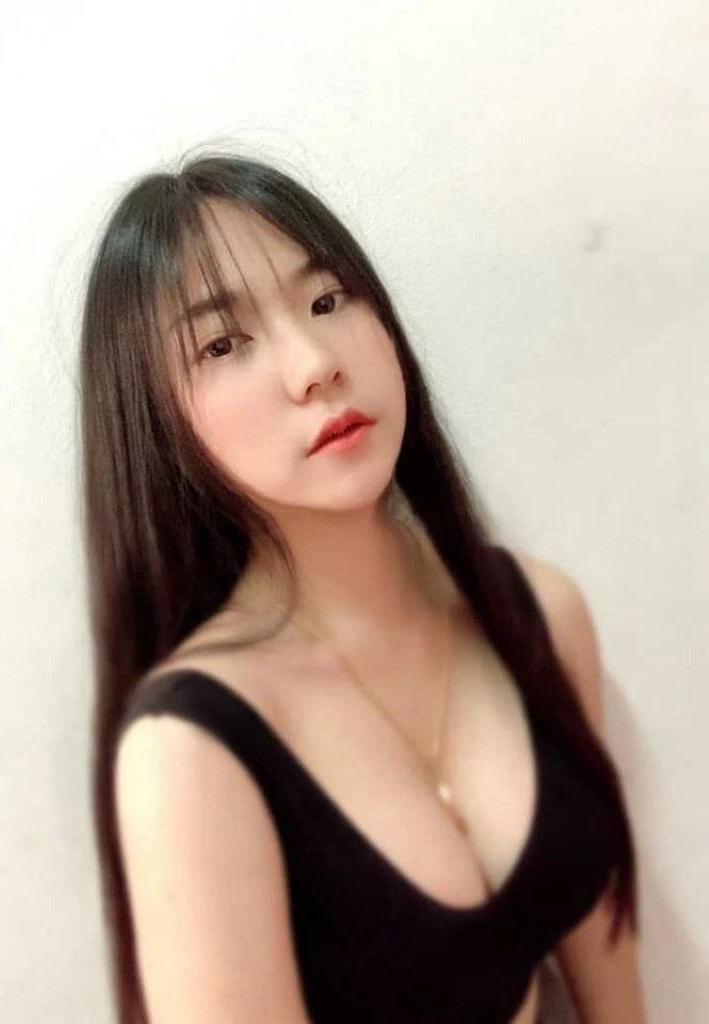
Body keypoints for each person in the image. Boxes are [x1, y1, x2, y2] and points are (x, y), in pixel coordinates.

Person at [80, 149, 646, 1022]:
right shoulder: (188, 752)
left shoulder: (538, 615)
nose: (314, 363)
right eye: (223, 343)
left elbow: (610, 971)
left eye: (326, 300)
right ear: (154, 417)